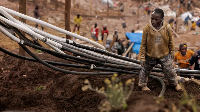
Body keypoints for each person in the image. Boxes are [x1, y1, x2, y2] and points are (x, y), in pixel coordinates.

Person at [139, 8, 182, 91]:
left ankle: (174, 84)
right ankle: (143, 85)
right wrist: (142, 57)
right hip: (150, 55)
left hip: (164, 55)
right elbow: (143, 44)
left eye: (156, 19)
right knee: (144, 71)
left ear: (162, 19)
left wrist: (172, 51)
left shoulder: (167, 27)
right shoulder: (147, 29)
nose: (153, 21)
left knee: (170, 71)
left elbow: (170, 41)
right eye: (152, 18)